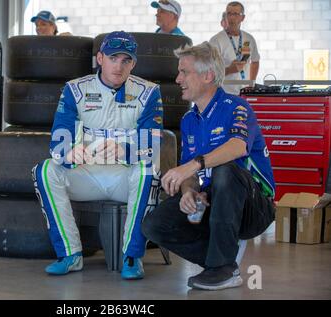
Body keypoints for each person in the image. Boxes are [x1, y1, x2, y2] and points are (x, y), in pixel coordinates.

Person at [142, 42, 275, 291]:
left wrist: (193, 166)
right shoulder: (188, 119)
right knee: (153, 224)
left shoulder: (236, 106)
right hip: (216, 202)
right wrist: (188, 192)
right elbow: (189, 176)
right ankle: (222, 262)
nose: (177, 78)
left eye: (184, 72)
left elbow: (238, 147)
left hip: (255, 208)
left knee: (226, 170)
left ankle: (222, 266)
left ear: (208, 76)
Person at [32, 31, 163, 280]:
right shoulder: (75, 89)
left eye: (127, 60)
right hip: (87, 173)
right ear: (100, 58)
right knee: (45, 170)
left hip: (125, 175)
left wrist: (125, 151)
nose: (119, 66)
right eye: (114, 58)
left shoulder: (149, 92)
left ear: (133, 63)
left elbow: (152, 145)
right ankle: (70, 254)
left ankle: (132, 256)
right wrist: (69, 153)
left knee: (148, 172)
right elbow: (58, 138)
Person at [209, 1, 259, 95]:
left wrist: (251, 84)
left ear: (242, 18)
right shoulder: (216, 40)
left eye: (235, 14)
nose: (231, 17)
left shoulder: (249, 38)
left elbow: (255, 61)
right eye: (229, 14)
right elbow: (209, 72)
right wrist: (229, 70)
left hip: (245, 94)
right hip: (224, 93)